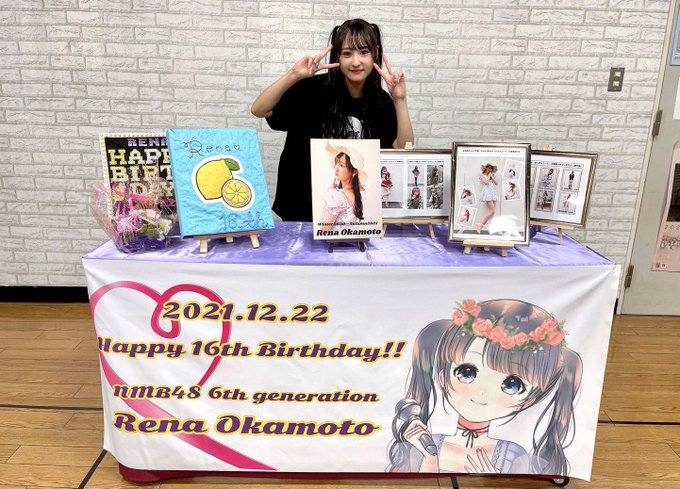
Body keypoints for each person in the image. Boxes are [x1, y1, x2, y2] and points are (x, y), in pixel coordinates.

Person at [386, 299, 582, 476]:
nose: (482, 393)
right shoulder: (420, 446)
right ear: (442, 376)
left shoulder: (515, 457)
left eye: (512, 385)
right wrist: (429, 459)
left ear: (528, 400)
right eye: (466, 372)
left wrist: (495, 482)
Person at [251, 19, 414, 221]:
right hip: (301, 206)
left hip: (351, 215)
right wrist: (294, 75)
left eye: (363, 52)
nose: (356, 62)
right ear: (337, 55)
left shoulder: (381, 102)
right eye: (347, 53)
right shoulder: (310, 89)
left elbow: (404, 148)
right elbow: (259, 109)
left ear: (375, 53)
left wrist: (400, 100)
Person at [320, 151, 365, 230]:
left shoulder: (337, 196)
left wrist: (329, 192)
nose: (336, 168)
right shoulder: (359, 194)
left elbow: (323, 230)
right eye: (336, 163)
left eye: (341, 165)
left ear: (354, 171)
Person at [476, 164, 498, 233]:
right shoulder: (482, 175)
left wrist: (492, 177)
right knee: (492, 210)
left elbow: (496, 183)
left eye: (491, 168)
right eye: (488, 168)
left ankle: (491, 228)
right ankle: (480, 224)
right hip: (487, 193)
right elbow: (486, 182)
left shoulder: (492, 175)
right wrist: (489, 176)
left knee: (492, 212)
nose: (490, 169)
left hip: (492, 193)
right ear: (485, 168)